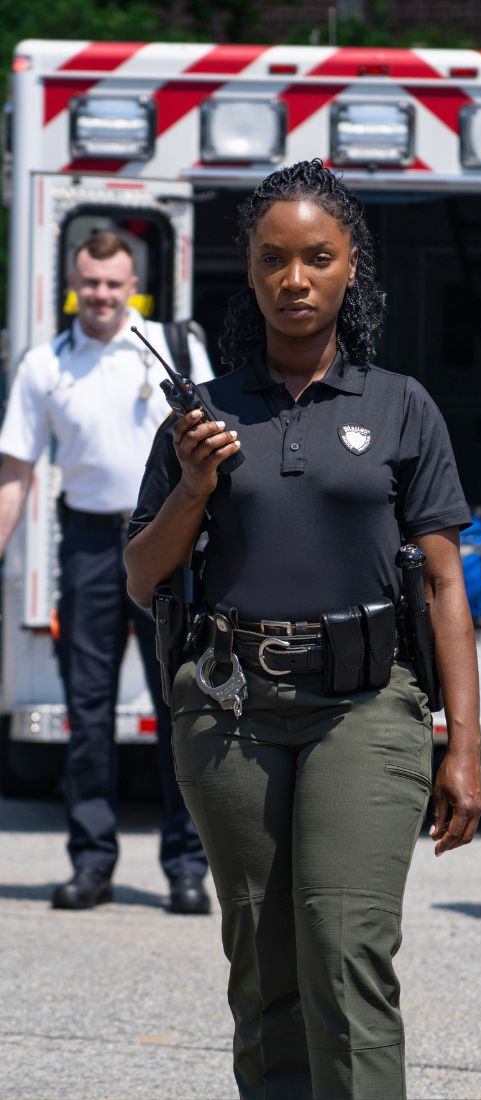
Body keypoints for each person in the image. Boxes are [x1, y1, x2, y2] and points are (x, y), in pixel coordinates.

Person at [124, 161, 481, 1100]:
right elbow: (141, 575)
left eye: (317, 258)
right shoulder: (204, 413)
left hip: (365, 709)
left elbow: (446, 583)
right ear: (248, 274)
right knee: (265, 963)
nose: (295, 279)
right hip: (232, 714)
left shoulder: (401, 404)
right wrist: (195, 486)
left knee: (344, 946)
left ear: (350, 269)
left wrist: (463, 748)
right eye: (273, 259)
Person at [0, 231, 212, 915]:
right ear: (73, 281)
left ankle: (186, 867)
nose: (101, 295)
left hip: (166, 537)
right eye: (90, 282)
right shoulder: (46, 364)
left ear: (134, 286)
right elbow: (16, 471)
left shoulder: (171, 351)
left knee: (176, 706)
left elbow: (216, 446)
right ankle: (91, 863)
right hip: (88, 545)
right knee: (87, 715)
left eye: (114, 283)